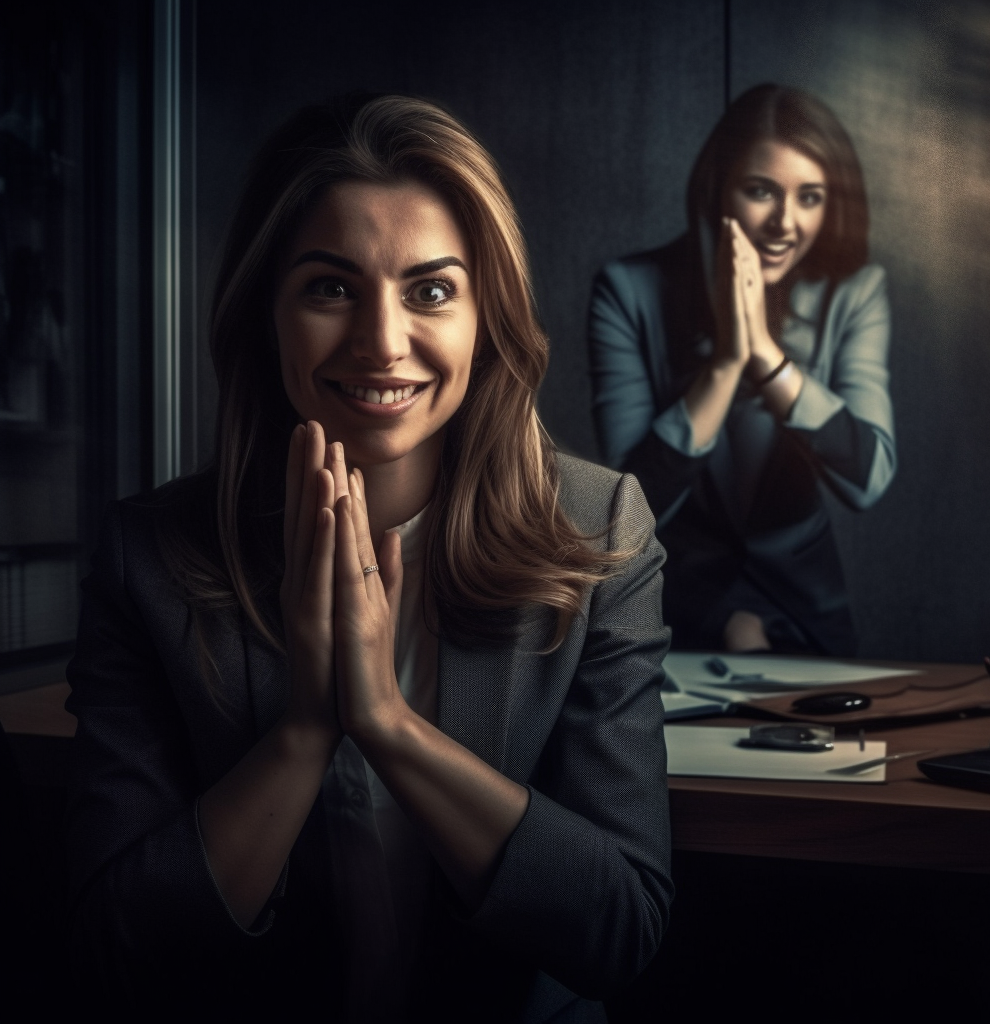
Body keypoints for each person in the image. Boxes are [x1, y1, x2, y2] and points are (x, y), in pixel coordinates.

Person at [65, 95, 672, 1022]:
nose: (382, 342)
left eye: (430, 290)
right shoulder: (146, 559)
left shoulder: (601, 533)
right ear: (266, 310)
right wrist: (306, 732)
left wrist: (387, 724)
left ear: (487, 315)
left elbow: (618, 929)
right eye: (331, 287)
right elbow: (118, 943)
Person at [588, 84, 896, 656]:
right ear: (718, 193)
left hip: (810, 619)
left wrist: (766, 358)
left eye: (810, 197)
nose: (785, 222)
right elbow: (626, 508)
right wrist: (728, 362)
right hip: (670, 617)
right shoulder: (628, 290)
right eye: (762, 191)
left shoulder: (855, 293)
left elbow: (869, 476)